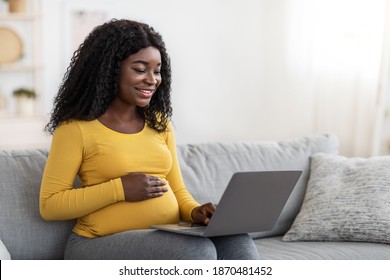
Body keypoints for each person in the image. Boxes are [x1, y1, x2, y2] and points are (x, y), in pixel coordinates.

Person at [39, 19, 259, 260]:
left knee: (236, 240)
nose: (152, 79)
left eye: (157, 70)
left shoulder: (159, 123)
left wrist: (195, 211)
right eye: (140, 69)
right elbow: (50, 205)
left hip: (165, 236)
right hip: (96, 244)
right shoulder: (76, 128)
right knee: (195, 250)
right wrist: (120, 188)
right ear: (110, 69)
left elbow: (177, 190)